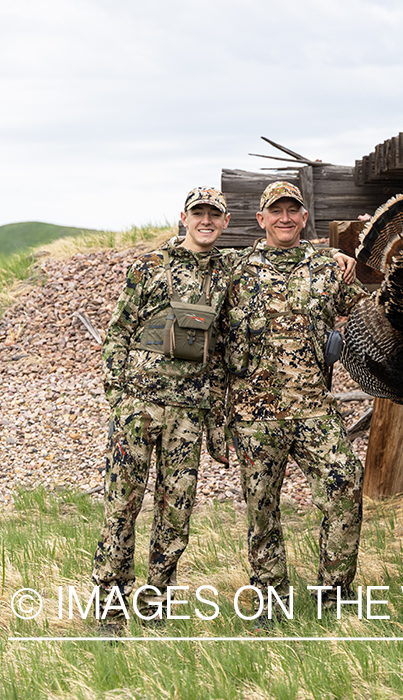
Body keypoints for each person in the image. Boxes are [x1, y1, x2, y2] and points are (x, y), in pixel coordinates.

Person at [223, 180, 366, 622]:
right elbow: (190, 253)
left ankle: (334, 596)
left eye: (293, 210)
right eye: (275, 211)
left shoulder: (328, 268)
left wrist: (343, 261)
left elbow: (366, 315)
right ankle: (271, 599)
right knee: (262, 507)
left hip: (314, 409)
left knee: (346, 484)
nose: (285, 218)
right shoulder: (233, 267)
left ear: (305, 218)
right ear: (261, 219)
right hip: (254, 414)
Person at [93, 187, 233, 633]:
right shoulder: (149, 267)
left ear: (226, 222)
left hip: (189, 416)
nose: (206, 221)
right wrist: (119, 397)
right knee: (122, 507)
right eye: (199, 213)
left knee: (177, 513)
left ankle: (156, 606)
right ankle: (110, 610)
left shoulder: (230, 273)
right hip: (139, 409)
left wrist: (341, 259)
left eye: (215, 214)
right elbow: (117, 333)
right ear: (184, 217)